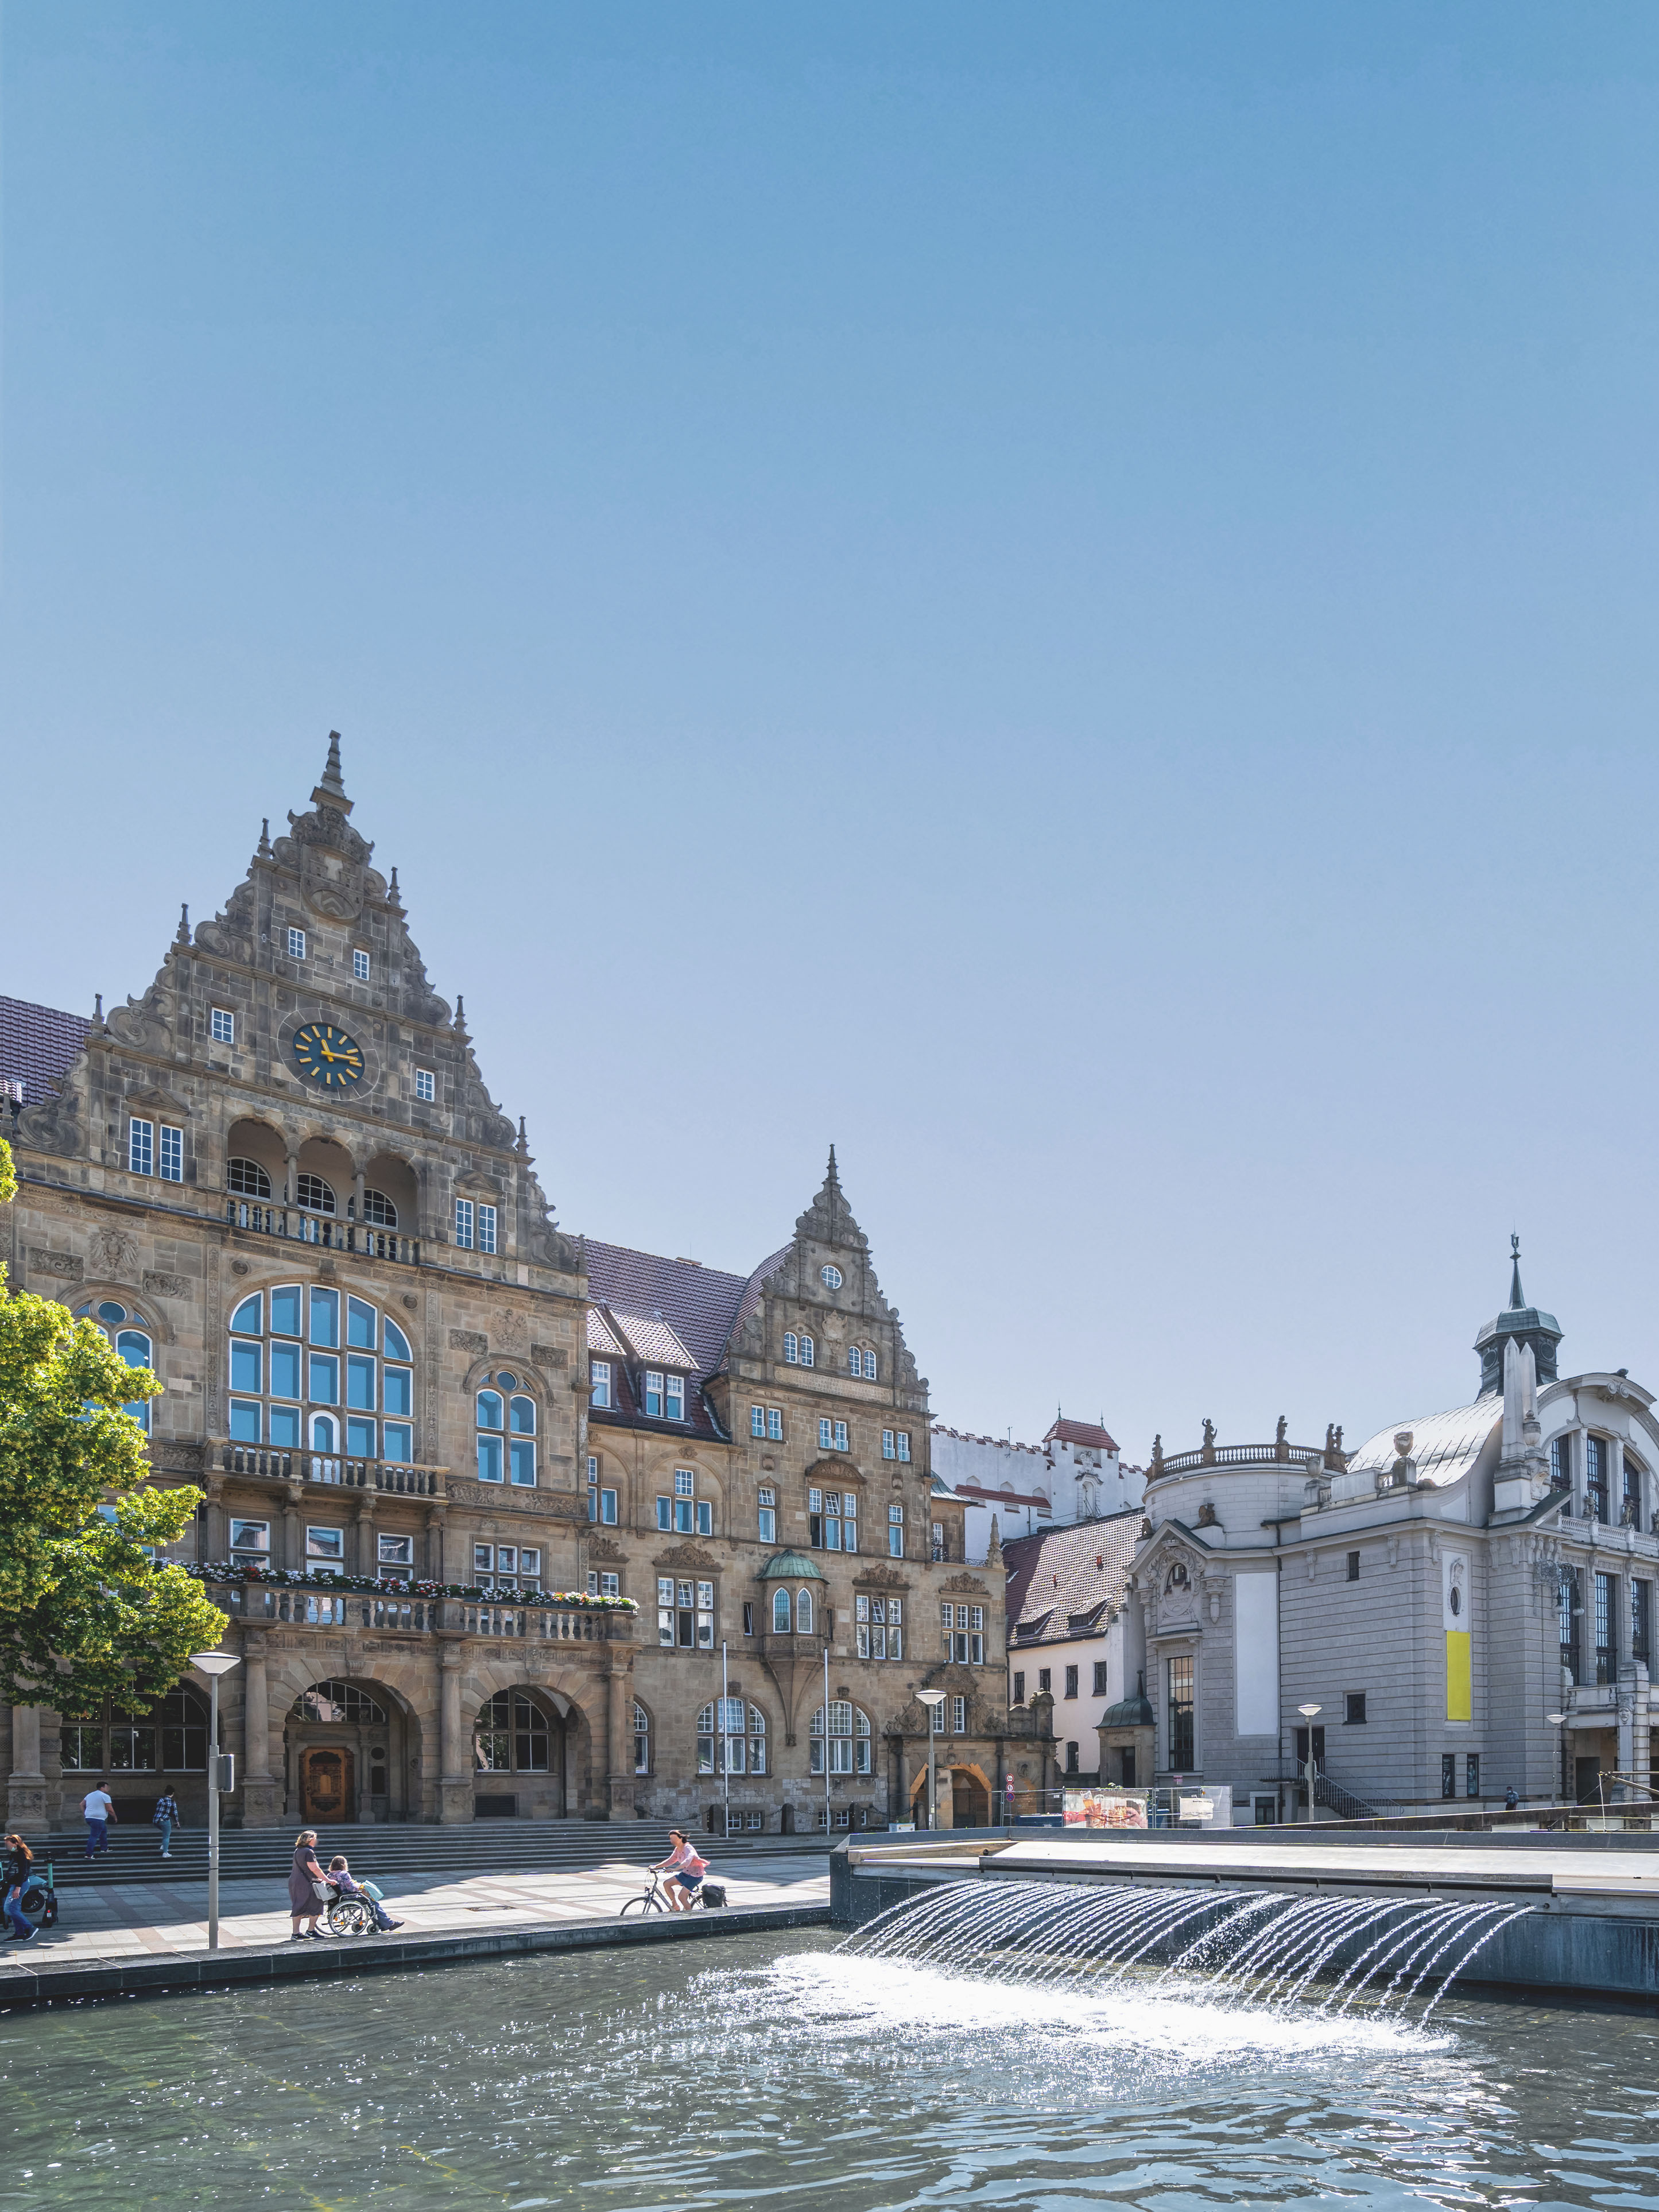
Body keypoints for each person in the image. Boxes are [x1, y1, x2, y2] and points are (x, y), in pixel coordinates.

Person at [326, 1855, 405, 1934]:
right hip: (348, 1897)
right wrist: (359, 1885)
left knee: (370, 1903)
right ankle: (389, 1924)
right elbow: (352, 1888)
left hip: (338, 1899)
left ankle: (384, 1923)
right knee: (372, 1902)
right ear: (343, 1864)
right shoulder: (344, 1874)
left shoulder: (330, 1875)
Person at [288, 1828, 332, 1940]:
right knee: (316, 1904)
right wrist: (328, 1880)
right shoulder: (308, 1852)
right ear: (310, 1840)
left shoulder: (298, 1850)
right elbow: (315, 1869)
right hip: (306, 1883)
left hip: (296, 1881)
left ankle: (296, 1933)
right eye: (315, 1839)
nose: (316, 1841)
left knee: (298, 1906)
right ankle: (311, 1931)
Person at [652, 1828, 708, 1913]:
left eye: (674, 1839)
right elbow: (670, 1861)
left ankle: (692, 1917)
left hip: (695, 1876)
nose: (672, 1841)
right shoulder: (677, 1849)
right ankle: (675, 1906)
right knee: (667, 1884)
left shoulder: (688, 1847)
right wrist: (656, 1866)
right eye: (671, 1839)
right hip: (686, 1874)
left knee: (682, 1897)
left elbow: (688, 1860)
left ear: (681, 1838)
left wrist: (675, 1869)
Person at [2, 1835, 36, 1943]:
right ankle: (20, 1933)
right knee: (14, 1909)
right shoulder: (14, 1854)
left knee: (9, 1909)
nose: (6, 1846)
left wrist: (17, 1888)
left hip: (19, 1885)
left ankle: (29, 1927)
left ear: (16, 1843)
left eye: (8, 1844)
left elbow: (23, 1873)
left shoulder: (21, 1855)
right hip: (15, 1884)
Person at [82, 1784, 116, 1860]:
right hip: (98, 1819)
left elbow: (82, 1804)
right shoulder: (105, 1796)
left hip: (90, 1818)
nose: (108, 1788)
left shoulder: (90, 1795)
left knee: (103, 1830)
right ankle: (89, 1854)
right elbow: (110, 1809)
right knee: (94, 1836)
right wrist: (115, 1817)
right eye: (107, 1787)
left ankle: (104, 1848)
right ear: (102, 1788)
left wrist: (85, 1814)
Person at [153, 1789, 181, 1859]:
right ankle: (165, 1853)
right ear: (173, 1793)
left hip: (156, 1821)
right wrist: (177, 1822)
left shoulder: (161, 1800)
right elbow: (175, 1813)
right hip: (165, 1820)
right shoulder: (172, 1802)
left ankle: (163, 1845)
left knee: (166, 1832)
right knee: (167, 1836)